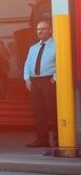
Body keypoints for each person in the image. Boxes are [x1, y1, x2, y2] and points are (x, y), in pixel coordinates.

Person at [23, 20, 57, 148]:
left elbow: (61, 62)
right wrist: (27, 79)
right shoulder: (33, 48)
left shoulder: (55, 45)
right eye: (38, 29)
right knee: (38, 111)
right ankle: (41, 139)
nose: (40, 32)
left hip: (48, 80)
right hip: (34, 82)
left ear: (50, 30)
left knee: (51, 110)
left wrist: (55, 78)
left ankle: (58, 138)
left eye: (43, 29)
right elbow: (27, 64)